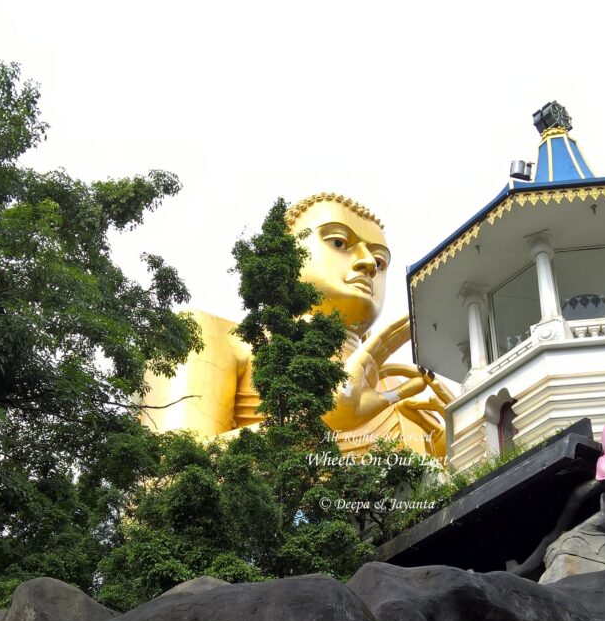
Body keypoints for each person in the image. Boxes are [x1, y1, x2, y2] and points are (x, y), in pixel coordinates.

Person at [142, 193, 450, 456]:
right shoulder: (211, 337)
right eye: (339, 242)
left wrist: (455, 443)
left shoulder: (401, 390)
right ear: (285, 255)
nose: (368, 263)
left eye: (380, 261)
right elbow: (163, 480)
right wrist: (316, 423)